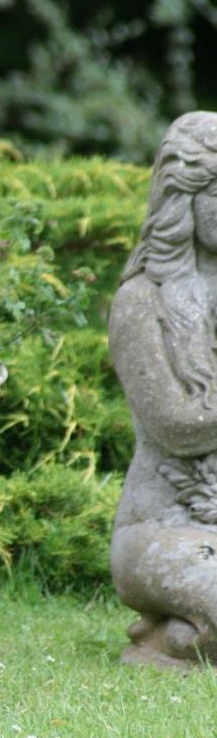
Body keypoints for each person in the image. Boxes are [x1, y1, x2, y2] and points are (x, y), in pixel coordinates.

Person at [109, 110, 217, 668]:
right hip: (164, 525)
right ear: (185, 197)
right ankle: (177, 639)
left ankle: (181, 637)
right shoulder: (142, 302)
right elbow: (175, 425)